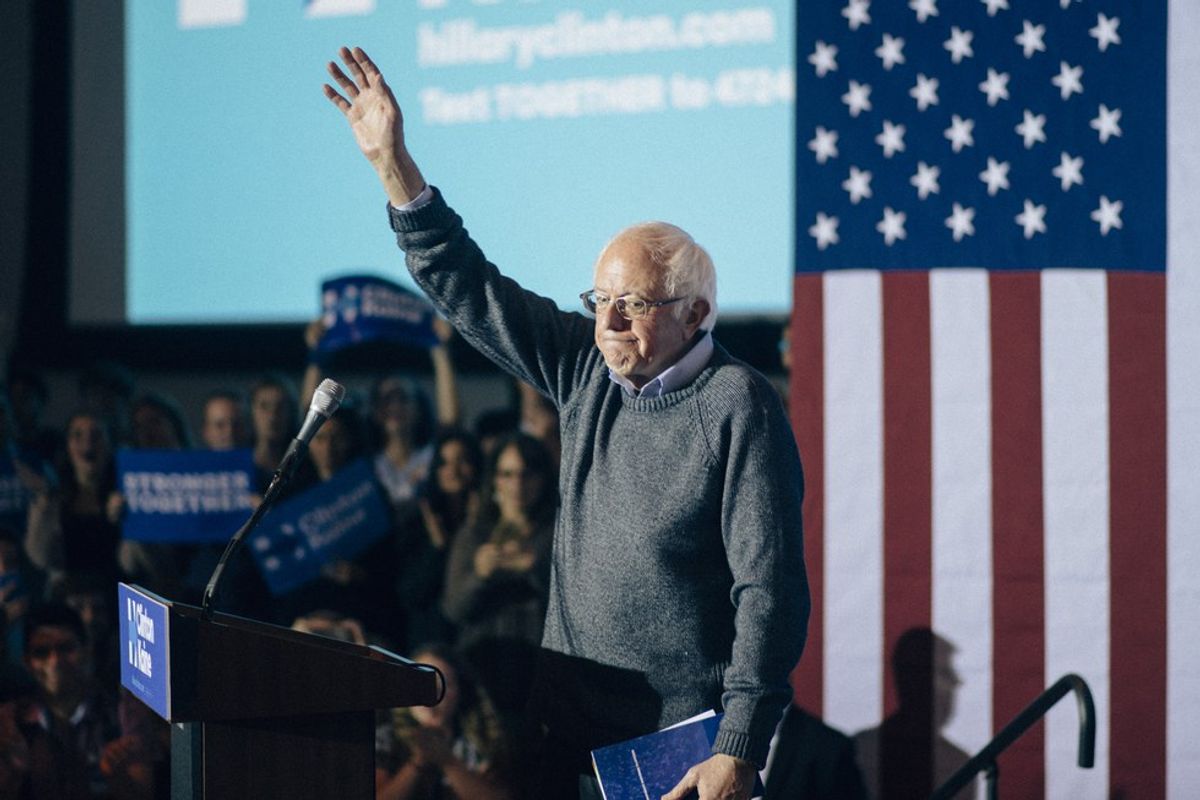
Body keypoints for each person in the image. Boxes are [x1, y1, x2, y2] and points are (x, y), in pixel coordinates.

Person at [323, 46, 808, 800]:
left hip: (678, 753)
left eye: (633, 305)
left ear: (697, 314)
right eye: (598, 300)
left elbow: (769, 590)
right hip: (565, 738)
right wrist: (393, 163)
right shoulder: (589, 370)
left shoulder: (736, 405)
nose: (607, 323)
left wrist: (738, 744)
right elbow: (467, 285)